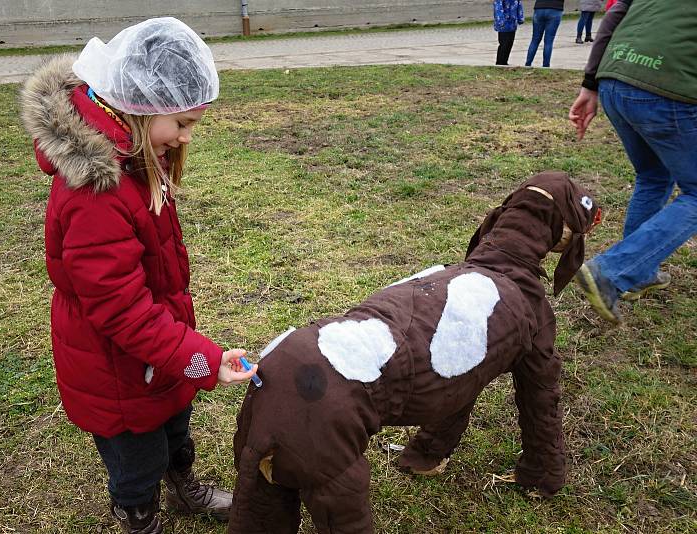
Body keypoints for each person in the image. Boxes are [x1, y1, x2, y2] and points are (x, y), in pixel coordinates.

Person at [229, 173, 602, 534]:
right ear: (561, 239)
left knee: (262, 499)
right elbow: (541, 401)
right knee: (341, 511)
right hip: (326, 403)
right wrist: (545, 467)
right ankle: (511, 468)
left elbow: (465, 379)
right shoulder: (530, 310)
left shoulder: (450, 276)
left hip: (281, 362)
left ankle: (427, 454)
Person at [19, 17, 258, 533]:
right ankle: (139, 514)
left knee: (174, 428)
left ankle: (182, 485)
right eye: (184, 123)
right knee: (135, 459)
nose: (188, 137)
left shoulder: (134, 159)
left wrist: (186, 354)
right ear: (141, 107)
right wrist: (204, 359)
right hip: (116, 366)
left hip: (157, 348)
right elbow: (120, 310)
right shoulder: (95, 194)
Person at [568, 0, 697, 323]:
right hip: (668, 88)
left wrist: (591, 83)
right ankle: (613, 270)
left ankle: (639, 273)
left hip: (616, 79)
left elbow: (613, 16)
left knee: (654, 176)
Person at [525, 0, 565, 68]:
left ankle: (528, 64)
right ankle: (546, 65)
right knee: (548, 41)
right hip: (555, 8)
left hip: (539, 8)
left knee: (535, 39)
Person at [493, 0, 525, 65]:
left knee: (510, 43)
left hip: (513, 23)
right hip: (503, 24)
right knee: (504, 44)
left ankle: (504, 62)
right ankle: (500, 63)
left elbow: (519, 5)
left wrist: (520, 18)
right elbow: (498, 7)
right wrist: (501, 21)